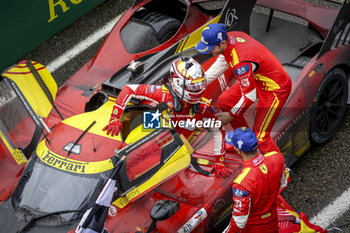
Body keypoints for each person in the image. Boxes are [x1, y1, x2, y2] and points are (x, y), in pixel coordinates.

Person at [103, 56, 232, 178]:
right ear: (178, 83)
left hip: (173, 145)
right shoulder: (162, 94)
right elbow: (128, 90)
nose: (198, 90)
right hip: (157, 133)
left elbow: (218, 129)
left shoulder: (203, 106)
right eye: (193, 87)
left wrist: (219, 161)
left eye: (199, 85)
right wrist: (114, 117)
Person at [195, 23, 292, 154]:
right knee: (225, 101)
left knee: (261, 139)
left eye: (211, 48)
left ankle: (282, 172)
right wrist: (200, 82)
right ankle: (244, 141)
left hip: (275, 88)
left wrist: (231, 115)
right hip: (259, 78)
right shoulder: (232, 36)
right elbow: (223, 62)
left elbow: (249, 96)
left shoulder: (241, 62)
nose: (209, 51)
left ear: (222, 43)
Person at [223, 127, 288, 233]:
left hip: (253, 228)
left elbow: (239, 222)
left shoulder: (242, 183)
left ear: (238, 150)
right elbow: (283, 184)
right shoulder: (276, 157)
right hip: (273, 222)